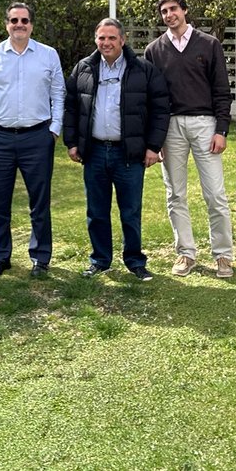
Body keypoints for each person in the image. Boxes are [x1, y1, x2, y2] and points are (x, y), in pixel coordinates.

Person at [63, 19, 170, 281]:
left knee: (130, 211)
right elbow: (71, 107)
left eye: (111, 38)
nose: (106, 43)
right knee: (96, 210)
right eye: (101, 38)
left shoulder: (143, 69)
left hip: (129, 153)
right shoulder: (84, 69)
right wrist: (72, 142)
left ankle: (135, 261)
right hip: (95, 151)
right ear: (95, 40)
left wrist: (153, 147)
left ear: (122, 40)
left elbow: (160, 109)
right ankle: (100, 260)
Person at [144, 0, 236, 279]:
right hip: (171, 128)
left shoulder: (209, 45)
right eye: (164, 12)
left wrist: (221, 129)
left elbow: (222, 91)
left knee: (215, 194)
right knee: (175, 194)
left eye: (173, 9)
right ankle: (186, 253)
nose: (169, 15)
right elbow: (151, 100)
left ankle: (223, 255)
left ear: (184, 10)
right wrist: (154, 140)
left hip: (205, 125)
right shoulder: (154, 50)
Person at [0, 2, 65, 279]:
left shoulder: (48, 55)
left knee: (40, 201)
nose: (19, 24)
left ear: (31, 25)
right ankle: (0, 257)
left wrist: (54, 129)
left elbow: (58, 94)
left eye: (24, 20)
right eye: (14, 20)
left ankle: (40, 257)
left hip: (37, 137)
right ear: (6, 24)